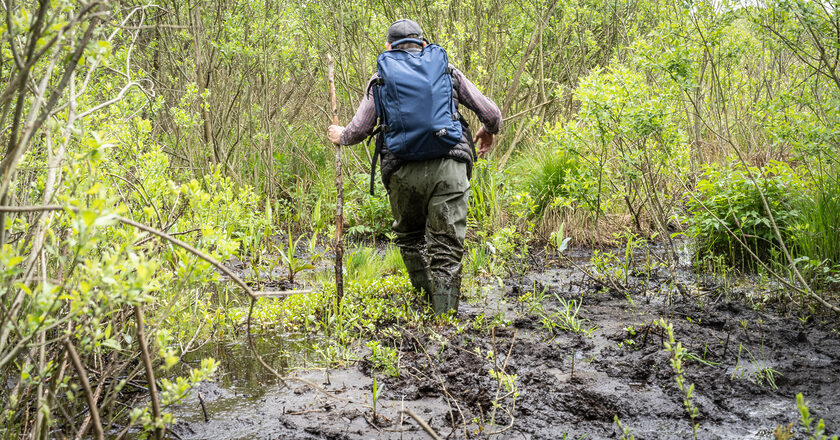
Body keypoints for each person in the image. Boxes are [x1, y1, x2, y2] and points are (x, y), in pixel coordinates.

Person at [327, 19, 502, 315]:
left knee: (410, 238)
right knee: (446, 248)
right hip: (449, 168)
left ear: (388, 47)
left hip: (402, 172)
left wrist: (339, 135)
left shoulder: (380, 79)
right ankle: (444, 318)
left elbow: (357, 130)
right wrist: (488, 130)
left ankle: (423, 300)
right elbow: (492, 114)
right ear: (422, 42)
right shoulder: (447, 72)